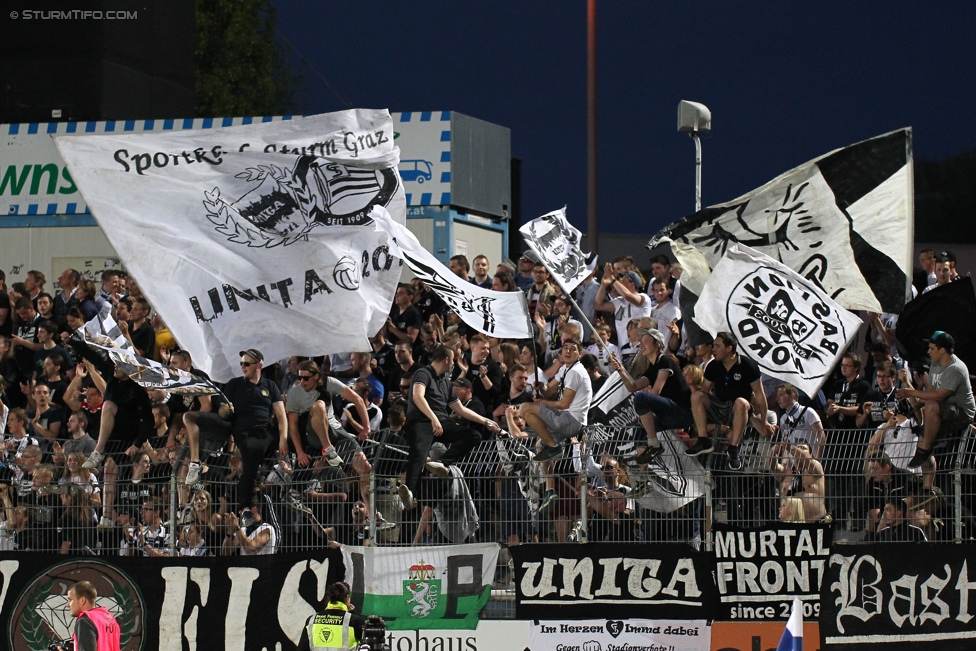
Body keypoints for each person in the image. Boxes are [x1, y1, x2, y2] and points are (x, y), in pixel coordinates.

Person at [182, 348, 288, 513]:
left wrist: (283, 438)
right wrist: (226, 410)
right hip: (237, 428)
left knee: (253, 456)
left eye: (246, 363)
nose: (243, 367)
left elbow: (281, 416)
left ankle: (245, 507)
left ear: (259, 365)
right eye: (241, 364)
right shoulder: (234, 384)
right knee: (189, 417)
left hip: (262, 430)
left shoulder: (270, 386)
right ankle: (195, 463)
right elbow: (222, 413)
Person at [399, 345, 499, 510]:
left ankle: (441, 463)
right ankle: (409, 493)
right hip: (422, 421)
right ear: (446, 359)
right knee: (419, 453)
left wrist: (484, 421)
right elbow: (418, 396)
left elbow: (460, 409)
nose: (453, 364)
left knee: (473, 436)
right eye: (452, 360)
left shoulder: (445, 383)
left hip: (442, 422)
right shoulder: (423, 373)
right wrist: (433, 418)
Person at [688, 332, 774, 467]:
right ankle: (703, 440)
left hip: (739, 409)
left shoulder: (748, 365)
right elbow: (704, 391)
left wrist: (764, 421)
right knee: (696, 396)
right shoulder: (713, 366)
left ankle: (733, 448)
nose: (713, 349)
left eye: (717, 346)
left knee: (741, 402)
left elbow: (760, 395)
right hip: (720, 406)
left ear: (729, 349)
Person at [610, 327, 692, 464]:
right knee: (637, 426)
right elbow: (633, 386)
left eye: (646, 341)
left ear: (657, 345)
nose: (641, 345)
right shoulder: (652, 368)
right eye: (641, 342)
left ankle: (654, 444)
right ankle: (645, 458)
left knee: (641, 398)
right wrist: (620, 369)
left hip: (682, 411)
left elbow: (656, 392)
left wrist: (645, 412)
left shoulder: (665, 361)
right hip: (669, 414)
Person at [897, 331, 975, 467]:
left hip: (962, 413)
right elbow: (931, 392)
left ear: (942, 350)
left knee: (931, 407)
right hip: (944, 408)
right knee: (924, 430)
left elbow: (940, 396)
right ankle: (926, 482)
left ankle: (925, 449)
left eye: (932, 348)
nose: (928, 351)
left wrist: (911, 392)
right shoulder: (935, 364)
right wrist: (915, 406)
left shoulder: (955, 368)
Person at [522, 339, 593, 462]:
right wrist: (541, 387)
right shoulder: (565, 369)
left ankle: (554, 447)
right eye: (565, 348)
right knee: (540, 446)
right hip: (568, 419)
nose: (568, 351)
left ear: (580, 354)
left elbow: (564, 404)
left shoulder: (575, 372)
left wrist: (542, 402)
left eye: (573, 349)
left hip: (572, 420)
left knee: (525, 408)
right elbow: (548, 390)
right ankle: (550, 463)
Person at [297, 581, 366, 651]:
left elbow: (302, 649)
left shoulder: (311, 620)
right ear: (347, 598)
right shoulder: (355, 621)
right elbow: (365, 646)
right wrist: (353, 615)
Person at [61, 581, 121, 651]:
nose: (68, 605)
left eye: (70, 600)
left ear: (82, 600)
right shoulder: (110, 619)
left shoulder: (85, 621)